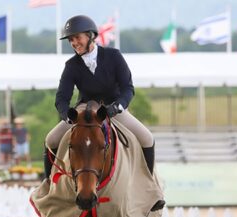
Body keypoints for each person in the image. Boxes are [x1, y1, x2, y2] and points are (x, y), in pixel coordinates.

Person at [44, 15, 156, 181]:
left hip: (114, 109)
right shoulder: (71, 65)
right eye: (70, 40)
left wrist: (118, 106)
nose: (74, 43)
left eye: (77, 37)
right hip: (84, 110)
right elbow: (61, 97)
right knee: (51, 139)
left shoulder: (114, 56)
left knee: (147, 138)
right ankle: (49, 186)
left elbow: (128, 88)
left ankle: (149, 186)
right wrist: (67, 114)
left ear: (90, 35)